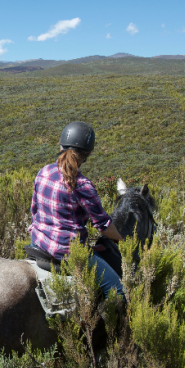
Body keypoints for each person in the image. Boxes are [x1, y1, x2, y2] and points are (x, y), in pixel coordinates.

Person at [29, 121, 124, 299]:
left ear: (61, 146)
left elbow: (34, 210)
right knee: (118, 292)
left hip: (38, 243)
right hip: (66, 253)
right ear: (87, 154)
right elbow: (103, 225)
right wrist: (123, 240)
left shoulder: (43, 172)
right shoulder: (82, 185)